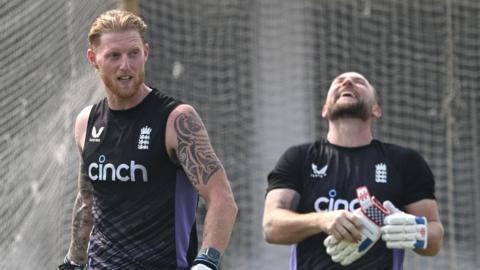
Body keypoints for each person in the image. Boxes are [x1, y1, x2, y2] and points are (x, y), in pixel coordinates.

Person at [59, 9, 237, 270]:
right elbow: (88, 200)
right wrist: (73, 261)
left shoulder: (176, 120)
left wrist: (206, 262)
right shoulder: (87, 122)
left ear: (146, 52)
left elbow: (222, 199)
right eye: (114, 56)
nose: (126, 65)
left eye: (133, 53)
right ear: (93, 59)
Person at [262, 71, 444, 269]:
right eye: (338, 82)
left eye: (359, 82)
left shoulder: (405, 161)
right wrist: (321, 220)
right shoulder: (298, 157)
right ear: (324, 110)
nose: (347, 82)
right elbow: (271, 227)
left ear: (376, 110)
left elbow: (434, 240)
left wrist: (414, 231)